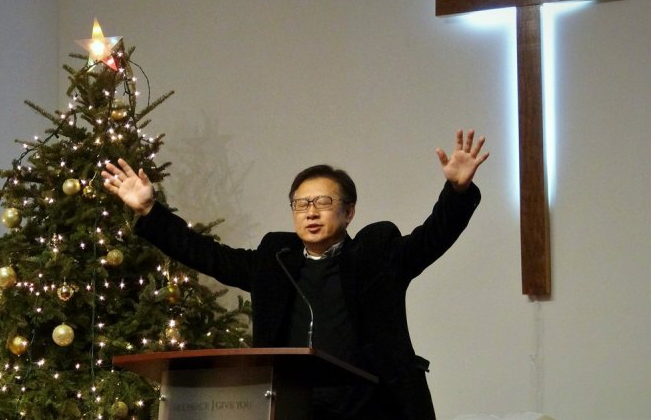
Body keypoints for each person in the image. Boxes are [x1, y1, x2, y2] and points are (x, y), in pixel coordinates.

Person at [102, 129, 489, 420]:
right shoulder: (277, 261)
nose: (311, 212)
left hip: (372, 409)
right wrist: (150, 211)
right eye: (301, 204)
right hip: (293, 409)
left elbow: (430, 239)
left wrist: (456, 192)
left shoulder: (376, 256)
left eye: (323, 202)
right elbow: (207, 255)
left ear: (349, 212)